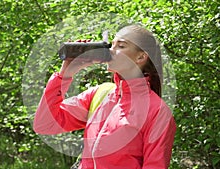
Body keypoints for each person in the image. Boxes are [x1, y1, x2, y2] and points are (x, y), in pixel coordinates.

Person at [33, 24, 176, 169]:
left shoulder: (157, 112)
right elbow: (45, 124)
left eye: (120, 46)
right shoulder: (100, 94)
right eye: (111, 44)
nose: (110, 51)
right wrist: (65, 74)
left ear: (141, 57)